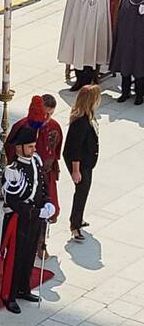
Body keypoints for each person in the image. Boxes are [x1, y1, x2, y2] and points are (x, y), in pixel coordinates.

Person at [0, 126, 54, 314]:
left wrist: (48, 203)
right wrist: (34, 212)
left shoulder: (36, 161)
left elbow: (43, 186)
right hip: (18, 220)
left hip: (35, 219)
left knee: (30, 254)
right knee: (16, 257)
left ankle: (23, 288)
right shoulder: (11, 170)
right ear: (19, 148)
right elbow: (12, 200)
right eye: (29, 147)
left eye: (33, 146)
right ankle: (9, 295)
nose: (33, 149)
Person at [58, 0, 112, 91]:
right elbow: (71, 8)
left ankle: (89, 81)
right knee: (77, 53)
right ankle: (79, 80)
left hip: (93, 29)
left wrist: (95, 27)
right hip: (77, 26)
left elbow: (103, 13)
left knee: (91, 54)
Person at [63, 85, 101, 241]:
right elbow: (75, 149)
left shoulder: (86, 116)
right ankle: (75, 226)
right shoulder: (81, 122)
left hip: (86, 161)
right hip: (80, 163)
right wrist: (76, 170)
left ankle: (78, 218)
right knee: (81, 192)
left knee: (83, 191)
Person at [109, 0, 144, 105]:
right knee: (125, 65)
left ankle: (139, 95)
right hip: (126, 38)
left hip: (141, 41)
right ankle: (125, 92)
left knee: (139, 67)